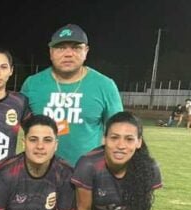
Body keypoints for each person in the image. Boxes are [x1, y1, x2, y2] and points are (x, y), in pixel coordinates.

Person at [21, 24, 123, 166]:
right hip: (41, 174)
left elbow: (118, 132)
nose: (68, 54)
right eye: (61, 48)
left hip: (86, 176)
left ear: (86, 51)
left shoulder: (105, 85)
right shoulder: (32, 84)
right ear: (51, 52)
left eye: (76, 47)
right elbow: (24, 128)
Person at [72, 111, 162, 210]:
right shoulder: (88, 165)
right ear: (104, 139)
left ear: (139, 142)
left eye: (129, 139)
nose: (121, 145)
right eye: (114, 138)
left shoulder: (149, 168)